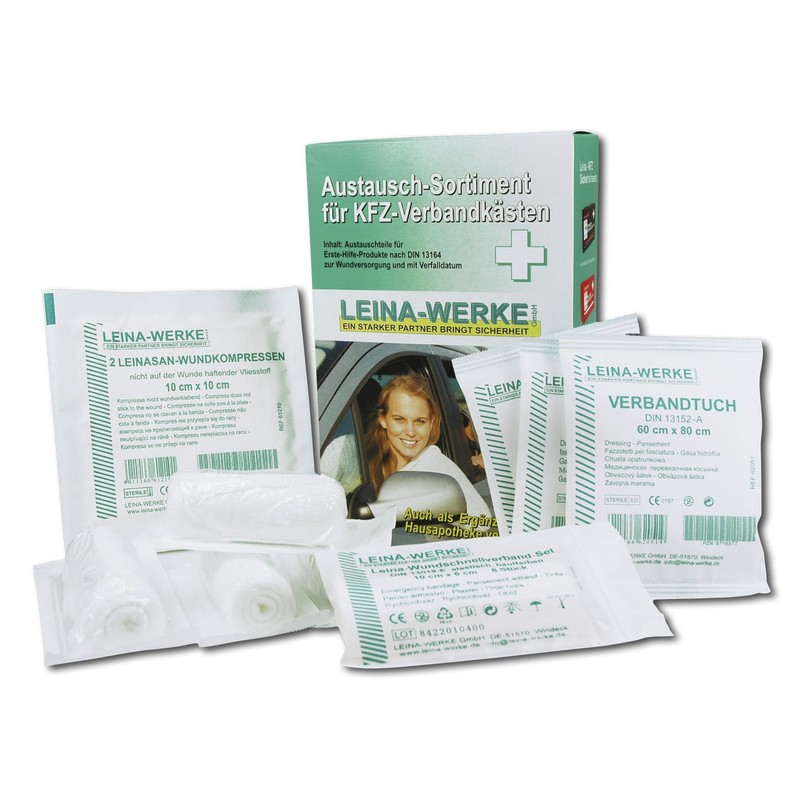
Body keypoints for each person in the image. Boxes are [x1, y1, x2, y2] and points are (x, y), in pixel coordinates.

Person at [365, 373, 492, 521]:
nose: (410, 432)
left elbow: (481, 523)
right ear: (383, 419)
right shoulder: (353, 454)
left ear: (431, 423)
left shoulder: (433, 464)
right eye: (399, 419)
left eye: (420, 421)